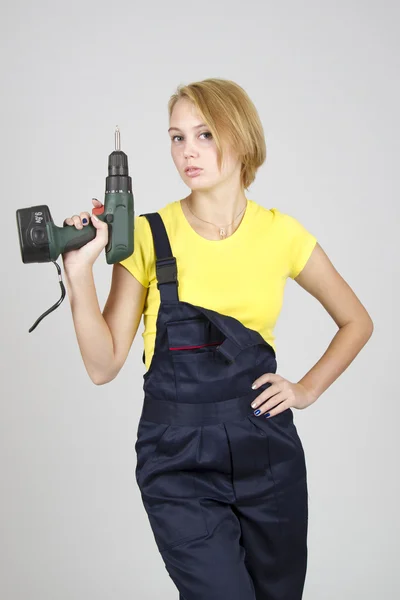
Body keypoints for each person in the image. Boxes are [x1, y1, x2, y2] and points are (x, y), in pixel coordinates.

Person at [62, 78, 374, 600]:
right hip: (176, 454)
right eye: (176, 137)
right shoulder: (145, 234)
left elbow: (356, 321)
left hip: (265, 450)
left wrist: (307, 389)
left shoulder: (281, 234)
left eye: (205, 134)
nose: (188, 152)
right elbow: (103, 364)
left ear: (243, 137)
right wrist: (78, 275)